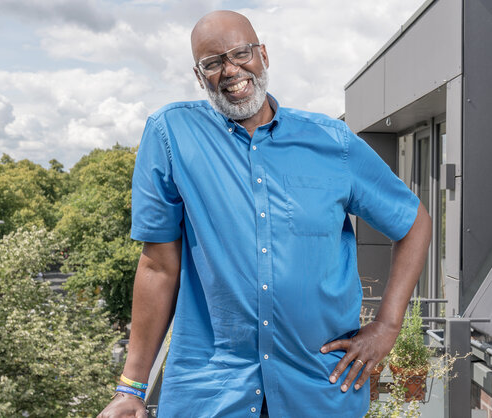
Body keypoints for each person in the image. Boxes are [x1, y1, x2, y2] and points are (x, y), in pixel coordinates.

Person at [98, 10, 431, 418]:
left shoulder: (333, 143)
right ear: (199, 75)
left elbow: (413, 223)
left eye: (241, 53)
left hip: (321, 389)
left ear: (263, 55)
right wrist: (130, 388)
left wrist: (387, 327)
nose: (231, 70)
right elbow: (157, 268)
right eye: (213, 62)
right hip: (212, 395)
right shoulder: (171, 135)